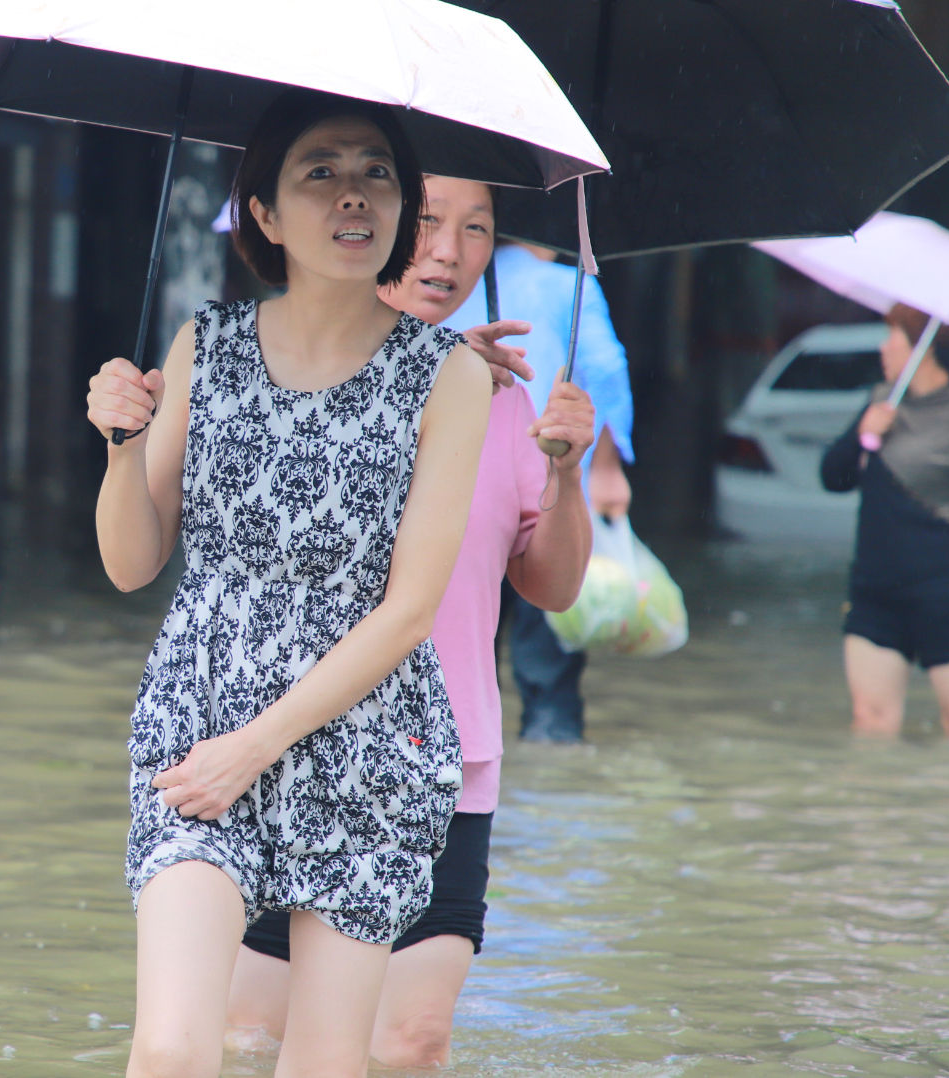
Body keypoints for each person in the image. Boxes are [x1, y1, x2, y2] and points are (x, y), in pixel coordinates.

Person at [84, 90, 493, 1078]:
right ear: (263, 212)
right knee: (177, 1045)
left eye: (377, 173)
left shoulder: (447, 376)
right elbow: (133, 563)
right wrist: (119, 445)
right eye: (322, 171)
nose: (355, 195)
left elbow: (409, 613)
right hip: (199, 711)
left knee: (321, 1060)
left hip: (363, 744)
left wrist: (256, 748)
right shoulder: (205, 347)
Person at [222, 175, 598, 1068]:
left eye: (477, 229)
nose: (448, 249)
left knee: (412, 1042)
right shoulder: (298, 369)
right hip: (292, 747)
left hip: (445, 758)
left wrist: (566, 472)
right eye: (429, 221)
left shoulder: (509, 400)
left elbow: (552, 589)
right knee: (250, 1039)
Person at [444, 242, 633, 743]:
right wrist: (607, 468)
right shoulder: (569, 285)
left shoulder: (443, 284)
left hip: (463, 499)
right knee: (546, 649)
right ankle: (549, 755)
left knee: (464, 647)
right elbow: (607, 371)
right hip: (548, 489)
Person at [820, 304, 949, 740]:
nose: (882, 347)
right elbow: (832, 478)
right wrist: (864, 434)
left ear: (922, 351)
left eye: (892, 336)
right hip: (875, 594)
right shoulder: (879, 403)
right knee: (870, 723)